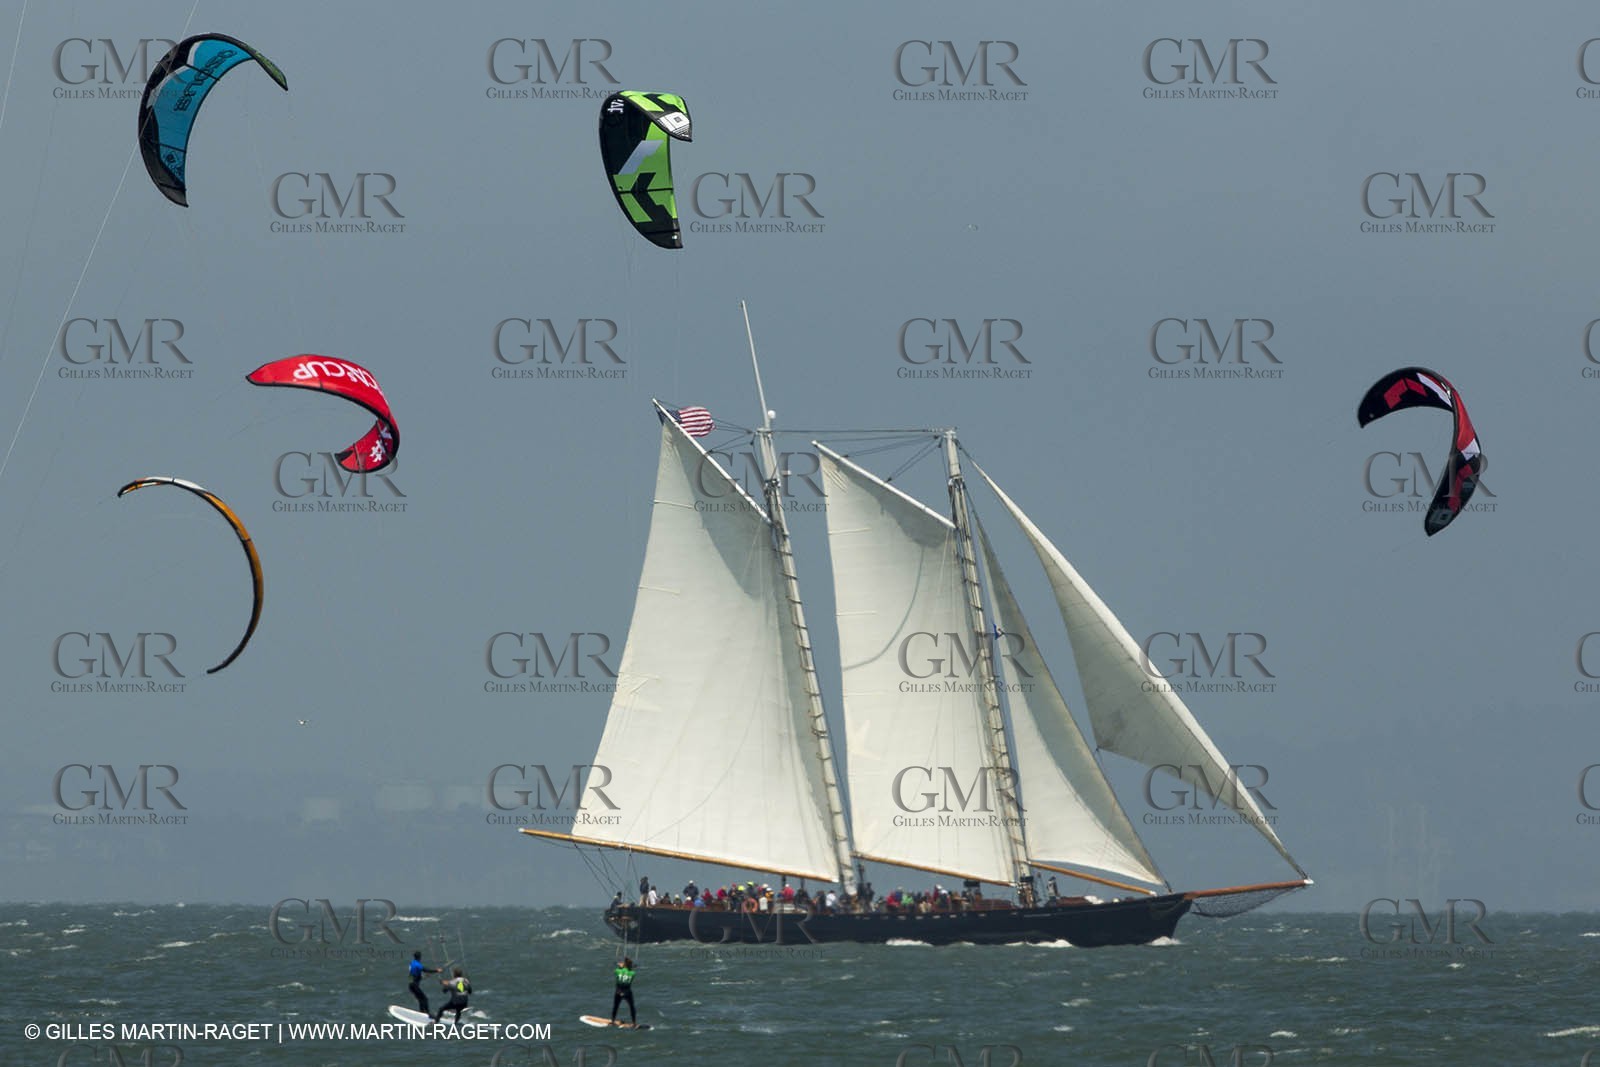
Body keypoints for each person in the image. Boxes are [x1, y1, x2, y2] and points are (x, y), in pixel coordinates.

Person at [611, 956, 637, 1027]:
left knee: (615, 1006)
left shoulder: (618, 970)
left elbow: (617, 972)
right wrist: (629, 967)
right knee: (632, 1007)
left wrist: (620, 967)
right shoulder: (633, 973)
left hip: (618, 992)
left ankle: (613, 1021)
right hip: (627, 992)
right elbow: (630, 971)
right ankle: (634, 1023)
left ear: (624, 964)